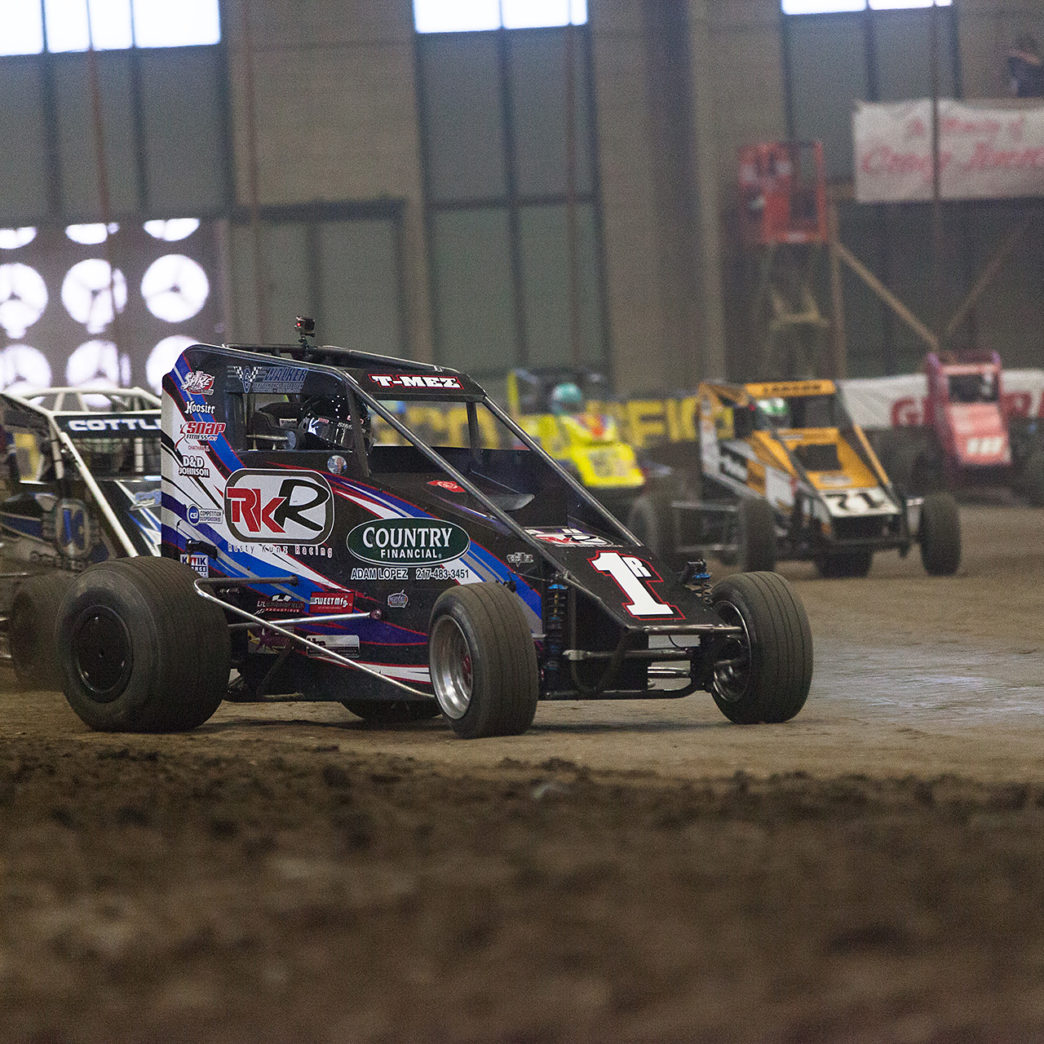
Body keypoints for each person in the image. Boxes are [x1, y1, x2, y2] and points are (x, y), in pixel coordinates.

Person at [1007, 34, 1044, 98]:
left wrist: (1019, 54)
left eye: (1028, 46)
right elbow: (1014, 78)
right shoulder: (1014, 61)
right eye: (1024, 47)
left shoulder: (1036, 59)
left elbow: (1038, 62)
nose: (1027, 48)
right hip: (1022, 92)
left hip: (1038, 92)